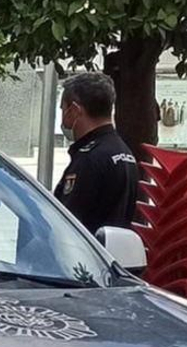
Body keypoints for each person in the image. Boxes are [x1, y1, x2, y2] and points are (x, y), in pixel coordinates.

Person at [53, 71, 139, 233]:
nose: (63, 118)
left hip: (87, 254)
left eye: (63, 109)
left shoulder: (90, 158)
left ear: (74, 110)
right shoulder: (124, 152)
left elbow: (68, 222)